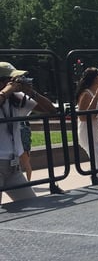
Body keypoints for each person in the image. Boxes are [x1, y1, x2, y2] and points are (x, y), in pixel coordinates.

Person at [0, 61, 56, 203]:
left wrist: (31, 92)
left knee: (31, 202)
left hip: (13, 167)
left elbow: (51, 110)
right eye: (11, 80)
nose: (16, 83)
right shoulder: (7, 94)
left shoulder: (16, 98)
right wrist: (7, 90)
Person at [75, 67, 98, 184]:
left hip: (95, 130)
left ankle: (97, 179)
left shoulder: (95, 93)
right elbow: (83, 117)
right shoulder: (86, 93)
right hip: (86, 131)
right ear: (96, 78)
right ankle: (96, 180)